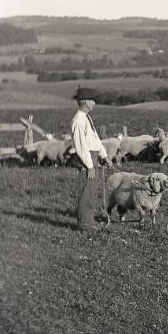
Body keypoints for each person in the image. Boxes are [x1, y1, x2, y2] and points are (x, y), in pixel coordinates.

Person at [70, 87, 113, 231]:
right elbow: (81, 146)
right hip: (86, 158)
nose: (94, 103)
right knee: (86, 191)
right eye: (93, 101)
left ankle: (89, 220)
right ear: (86, 102)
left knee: (91, 190)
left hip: (92, 156)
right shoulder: (78, 121)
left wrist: (104, 155)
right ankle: (84, 224)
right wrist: (89, 165)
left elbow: (95, 139)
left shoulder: (86, 118)